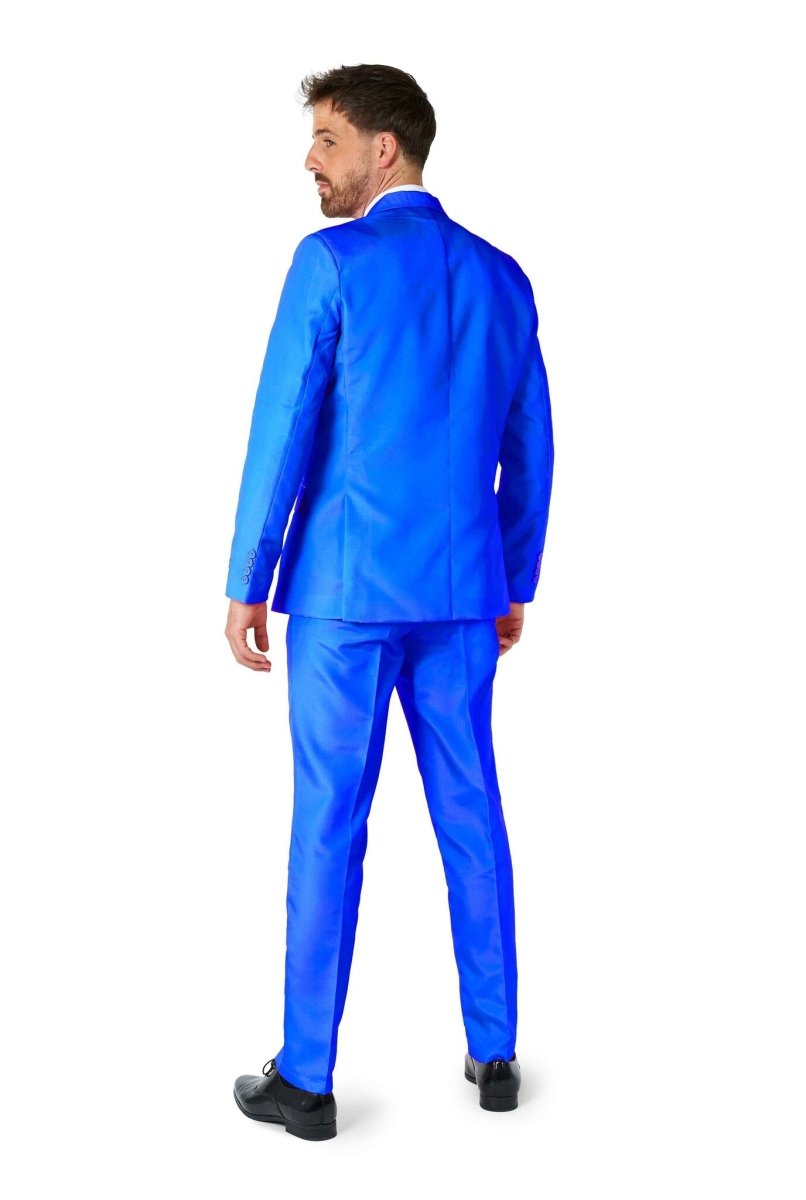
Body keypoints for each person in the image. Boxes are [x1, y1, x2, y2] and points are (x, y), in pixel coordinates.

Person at [224, 63, 554, 1141]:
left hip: (344, 595)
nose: (310, 160)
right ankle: (495, 1055)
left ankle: (307, 1078)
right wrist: (512, 579)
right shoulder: (502, 278)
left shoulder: (330, 263)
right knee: (472, 810)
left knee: (328, 822)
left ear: (385, 148)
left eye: (327, 139)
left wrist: (248, 579)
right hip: (461, 595)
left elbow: (284, 427)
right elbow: (530, 447)